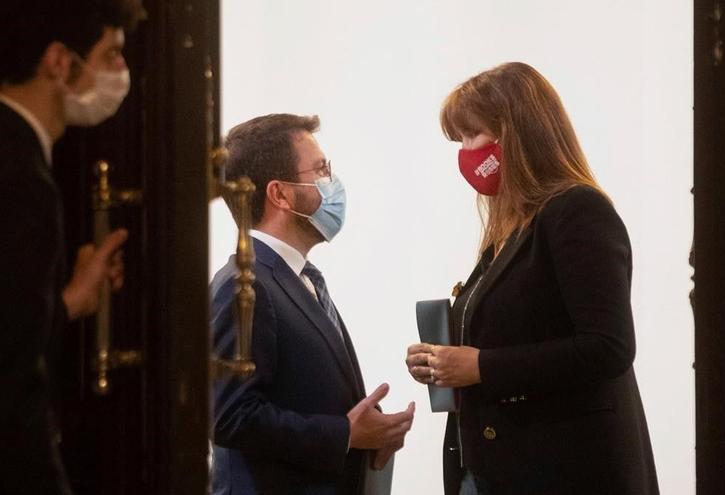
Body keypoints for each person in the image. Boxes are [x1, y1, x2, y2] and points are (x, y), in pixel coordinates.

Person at [405, 62, 659, 494]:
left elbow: (608, 347)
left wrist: (480, 366)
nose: (465, 152)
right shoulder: (511, 229)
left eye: (472, 135)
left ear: (515, 133)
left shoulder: (578, 212)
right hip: (497, 468)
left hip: (565, 470)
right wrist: (443, 363)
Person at [0, 1, 143, 493]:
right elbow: (8, 386)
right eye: (110, 55)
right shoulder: (19, 181)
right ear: (60, 62)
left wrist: (66, 301)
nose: (121, 73)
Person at [210, 114, 415, 494]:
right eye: (321, 169)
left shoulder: (302, 278)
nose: (331, 182)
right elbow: (230, 417)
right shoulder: (245, 285)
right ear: (280, 194)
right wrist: (346, 435)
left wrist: (371, 432)